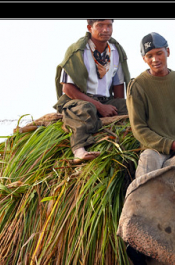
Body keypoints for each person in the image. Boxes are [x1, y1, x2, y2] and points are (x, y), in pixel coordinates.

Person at [127, 32, 175, 177]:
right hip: (154, 149)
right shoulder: (137, 86)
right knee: (146, 171)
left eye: (159, 53)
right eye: (150, 56)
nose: (155, 59)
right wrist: (169, 144)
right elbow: (139, 128)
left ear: (167, 52)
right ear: (144, 59)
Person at [54, 19, 131, 163]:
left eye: (109, 25)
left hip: (105, 99)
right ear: (90, 27)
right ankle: (79, 150)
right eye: (100, 25)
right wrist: (100, 107)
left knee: (132, 106)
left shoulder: (115, 50)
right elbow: (68, 88)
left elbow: (118, 85)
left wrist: (119, 108)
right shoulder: (78, 51)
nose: (106, 29)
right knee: (86, 108)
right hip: (78, 100)